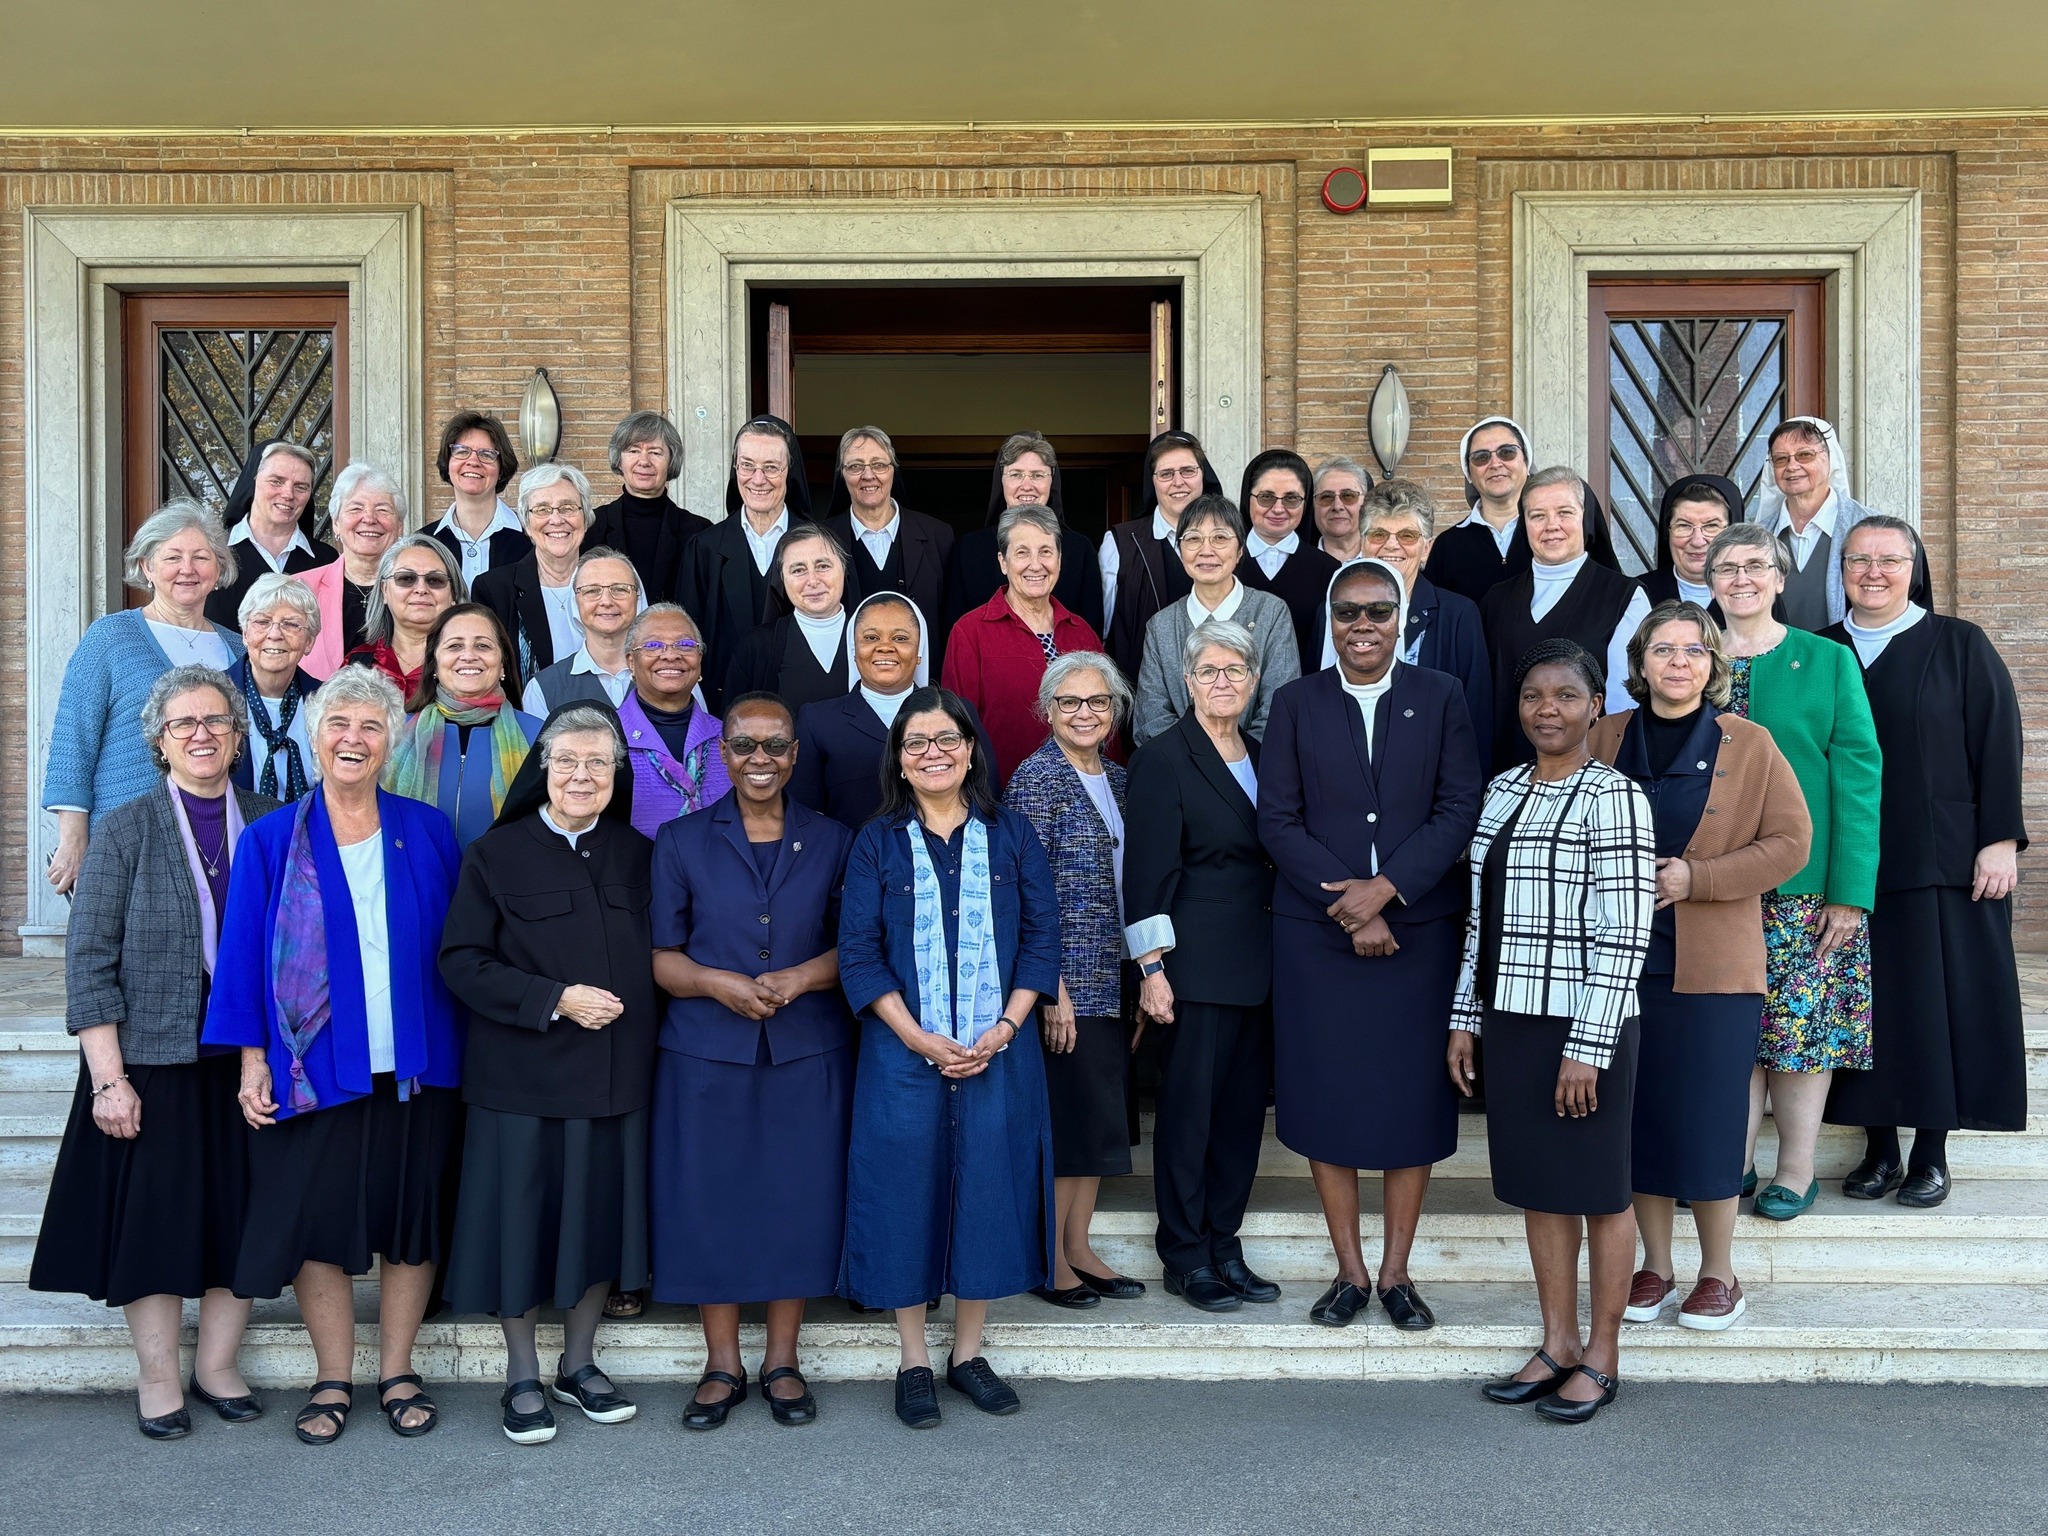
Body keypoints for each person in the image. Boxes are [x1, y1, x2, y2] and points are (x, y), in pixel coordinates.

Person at [202, 666, 464, 1445]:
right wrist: (252, 1061)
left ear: (392, 741)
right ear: (314, 740)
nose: (353, 739)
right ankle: (332, 1376)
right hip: (311, 1069)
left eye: (370, 726)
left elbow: (460, 948)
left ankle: (398, 1370)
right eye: (338, 726)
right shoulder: (271, 837)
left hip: (417, 1059)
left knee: (410, 1220)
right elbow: (244, 956)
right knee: (321, 1224)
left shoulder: (428, 830)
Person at [30, 666, 276, 1439]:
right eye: (183, 724)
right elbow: (90, 958)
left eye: (216, 721)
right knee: (159, 1223)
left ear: (239, 738)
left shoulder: (273, 820)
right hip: (151, 1060)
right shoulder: (126, 827)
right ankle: (160, 1375)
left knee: (245, 1215)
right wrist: (109, 1080)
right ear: (160, 741)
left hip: (248, 1054)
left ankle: (217, 1366)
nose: (202, 734)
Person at [1260, 560, 1482, 1329]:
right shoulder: (1294, 703)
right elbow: (1278, 821)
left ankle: (1396, 1274)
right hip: (1317, 938)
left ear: (1402, 619)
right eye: (1349, 611)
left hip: (1417, 932)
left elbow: (1460, 808)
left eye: (1379, 611)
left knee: (1409, 1102)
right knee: (1328, 1098)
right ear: (1332, 618)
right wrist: (1355, 908)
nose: (1363, 625)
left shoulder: (1441, 695)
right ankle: (1349, 1270)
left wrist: (1388, 892)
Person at [837, 687, 1061, 1429]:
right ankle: (911, 1358)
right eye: (916, 744)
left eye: (946, 739)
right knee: (904, 1189)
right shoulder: (875, 842)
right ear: (899, 763)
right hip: (904, 1052)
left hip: (1001, 1048)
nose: (933, 753)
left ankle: (967, 1353)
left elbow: (1040, 940)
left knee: (989, 1188)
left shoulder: (1013, 834)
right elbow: (860, 955)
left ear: (970, 749)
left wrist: (1006, 1026)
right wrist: (916, 1036)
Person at [1447, 639, 1654, 1425]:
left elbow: (1626, 932)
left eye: (1566, 695)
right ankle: (1556, 1341)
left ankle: (1602, 1354)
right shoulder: (1500, 791)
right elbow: (1481, 920)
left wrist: (1587, 1046)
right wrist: (1466, 1019)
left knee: (1600, 1191)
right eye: (1534, 695)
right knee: (1540, 1189)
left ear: (1595, 705)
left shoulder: (1616, 798)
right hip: (1512, 1019)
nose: (1548, 710)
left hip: (1584, 1026)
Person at [439, 702, 657, 1444]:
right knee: (521, 1228)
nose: (581, 776)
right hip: (520, 1079)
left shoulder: (639, 854)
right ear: (542, 769)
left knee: (599, 1222)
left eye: (599, 763)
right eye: (566, 761)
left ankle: (581, 1364)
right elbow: (461, 962)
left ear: (617, 774)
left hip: (614, 1079)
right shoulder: (494, 856)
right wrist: (555, 999)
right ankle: (523, 1373)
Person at [1589, 603, 1810, 1332]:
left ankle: (1720, 1273)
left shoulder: (1749, 743)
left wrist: (1698, 878)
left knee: (1711, 1120)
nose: (1677, 662)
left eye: (1692, 650)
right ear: (1641, 662)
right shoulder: (1606, 738)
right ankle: (1655, 1264)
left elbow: (1790, 843)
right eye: (1663, 649)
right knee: (1641, 1119)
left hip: (1712, 967)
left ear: (1713, 664)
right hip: (1619, 963)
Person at [650, 693, 856, 1430]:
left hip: (808, 1049)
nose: (760, 760)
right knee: (711, 1201)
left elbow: (857, 945)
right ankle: (721, 1364)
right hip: (705, 1052)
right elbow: (662, 958)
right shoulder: (679, 841)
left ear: (795, 755)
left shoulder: (835, 839)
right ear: (721, 754)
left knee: (795, 1200)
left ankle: (782, 1360)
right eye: (744, 746)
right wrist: (713, 982)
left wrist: (801, 977)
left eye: (775, 746)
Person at [1821, 516, 2028, 1207]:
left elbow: (1998, 741)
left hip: (1942, 859)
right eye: (1859, 560)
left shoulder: (1958, 644)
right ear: (1841, 569)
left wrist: (2000, 837)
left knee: (1934, 1009)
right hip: (1848, 865)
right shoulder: (1819, 651)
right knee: (1866, 1010)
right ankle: (1878, 1149)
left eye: (1889, 559)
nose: (1873, 572)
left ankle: (1931, 1152)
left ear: (1914, 567)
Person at [1705, 525, 1882, 1221]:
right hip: (1713, 884)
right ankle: (1733, 1162)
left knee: (1801, 1034)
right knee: (1732, 1031)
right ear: (1709, 580)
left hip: (1805, 889)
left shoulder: (1828, 659)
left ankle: (1797, 1169)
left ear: (1780, 579)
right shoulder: (1690, 656)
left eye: (1757, 566)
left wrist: (1849, 893)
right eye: (1728, 567)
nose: (1742, 578)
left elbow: (1859, 779)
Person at [1123, 622, 1279, 1314]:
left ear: (1253, 681)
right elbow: (1147, 873)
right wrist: (1151, 969)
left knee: (1242, 1117)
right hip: (1194, 969)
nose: (1223, 681)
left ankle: (1225, 1243)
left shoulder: (1267, 755)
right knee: (1189, 1116)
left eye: (1236, 670)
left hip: (1262, 964)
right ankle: (1185, 1254)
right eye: (1209, 670)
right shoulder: (1164, 758)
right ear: (1186, 682)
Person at [1001, 653, 1140, 1309]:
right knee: (1064, 1126)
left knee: (1095, 1125)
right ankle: (1051, 1259)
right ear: (1048, 710)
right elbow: (1027, 896)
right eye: (1071, 702)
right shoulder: (1036, 779)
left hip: (1112, 977)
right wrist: (1051, 989)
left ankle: (1080, 1246)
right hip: (1065, 985)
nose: (1086, 713)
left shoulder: (1118, 777)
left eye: (1099, 702)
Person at [44, 501, 245, 896]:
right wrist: (73, 838)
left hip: (219, 839)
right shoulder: (110, 638)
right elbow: (73, 743)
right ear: (147, 567)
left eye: (201, 557)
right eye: (172, 557)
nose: (187, 568)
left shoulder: (239, 648)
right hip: (125, 838)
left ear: (218, 569)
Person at [1478, 467, 1648, 770]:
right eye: (1538, 515)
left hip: (1590, 776)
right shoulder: (1496, 600)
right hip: (1504, 774)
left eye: (1564, 513)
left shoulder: (1624, 597)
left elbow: (1627, 707)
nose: (1551, 525)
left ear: (1584, 518)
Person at [790, 592, 1002, 827]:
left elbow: (987, 796)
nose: (885, 647)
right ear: (853, 649)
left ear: (919, 650)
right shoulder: (818, 721)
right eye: (871, 638)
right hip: (850, 861)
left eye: (900, 638)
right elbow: (805, 816)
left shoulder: (958, 713)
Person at [942, 504, 1103, 790]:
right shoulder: (970, 632)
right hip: (1000, 799)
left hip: (1079, 800)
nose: (1035, 564)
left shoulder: (1083, 634)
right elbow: (956, 729)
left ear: (1059, 559)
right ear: (1003, 562)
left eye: (1045, 551)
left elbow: (1105, 720)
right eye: (1022, 552)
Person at [676, 414, 817, 710]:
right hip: (724, 706)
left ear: (788, 471)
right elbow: (687, 638)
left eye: (771, 467)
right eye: (747, 466)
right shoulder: (704, 548)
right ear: (735, 469)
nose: (758, 479)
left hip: (805, 707)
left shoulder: (821, 547)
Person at [1132, 495, 1299, 743]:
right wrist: (1198, 763)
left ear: (1241, 549)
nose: (1206, 550)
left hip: (1255, 770)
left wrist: (1239, 759)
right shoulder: (1161, 626)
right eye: (1193, 539)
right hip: (1180, 774)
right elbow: (1151, 717)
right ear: (1180, 551)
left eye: (1220, 538)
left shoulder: (1271, 613)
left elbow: (1281, 707)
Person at [1354, 478, 1492, 770]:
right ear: (1362, 542)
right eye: (1378, 533)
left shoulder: (1459, 616)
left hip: (1433, 788)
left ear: (1427, 548)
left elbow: (1475, 719)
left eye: (1407, 535)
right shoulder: (1332, 612)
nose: (1392, 545)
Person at [383, 604, 541, 848]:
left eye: (483, 646)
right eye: (454, 646)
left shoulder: (539, 738)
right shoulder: (393, 736)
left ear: (502, 664)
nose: (468, 655)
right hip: (419, 881)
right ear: (434, 663)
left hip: (505, 882)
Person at [942, 431, 1105, 636]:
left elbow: (1091, 633)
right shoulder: (968, 550)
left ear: (1051, 481)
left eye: (1038, 475)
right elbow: (953, 632)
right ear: (1001, 481)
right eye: (1016, 474)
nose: (1027, 486)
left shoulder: (1080, 550)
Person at [822, 425, 954, 669]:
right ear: (842, 474)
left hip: (922, 682)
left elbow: (950, 620)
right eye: (855, 466)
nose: (868, 475)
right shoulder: (822, 540)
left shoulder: (939, 535)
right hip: (846, 680)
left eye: (879, 465)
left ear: (894, 470)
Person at [1099, 430, 1222, 679]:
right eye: (1166, 474)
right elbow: (1104, 630)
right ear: (1152, 481)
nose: (1178, 482)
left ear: (1202, 476)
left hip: (1217, 688)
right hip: (1140, 690)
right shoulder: (1120, 543)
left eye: (1188, 471)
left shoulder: (1229, 540)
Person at [474, 463, 598, 683]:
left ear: (585, 518)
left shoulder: (614, 582)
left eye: (568, 507)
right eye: (542, 509)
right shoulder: (494, 589)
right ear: (526, 523)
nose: (557, 519)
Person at [1754, 416, 1880, 631]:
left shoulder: (1872, 529)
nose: (1792, 466)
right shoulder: (1759, 536)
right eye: (1781, 459)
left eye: (1805, 455)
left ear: (1830, 459)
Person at [618, 603, 731, 839]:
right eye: (653, 645)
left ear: (699, 658)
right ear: (631, 662)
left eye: (685, 644)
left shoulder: (729, 739)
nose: (670, 655)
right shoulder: (607, 738)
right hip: (635, 873)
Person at [722, 524, 857, 711]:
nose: (813, 580)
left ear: (844, 570)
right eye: (798, 570)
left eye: (823, 566)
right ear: (782, 579)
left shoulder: (876, 640)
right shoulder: (755, 647)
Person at [584, 410, 710, 605]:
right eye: (633, 451)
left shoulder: (700, 533)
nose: (644, 461)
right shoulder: (591, 526)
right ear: (619, 459)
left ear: (671, 461)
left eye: (655, 452)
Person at [1235, 448, 1341, 677]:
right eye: (1266, 497)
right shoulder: (1224, 562)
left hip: (1304, 700)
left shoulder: (1329, 570)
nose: (1278, 508)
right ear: (1248, 497)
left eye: (1291, 498)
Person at [206, 440, 335, 627]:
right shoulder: (212, 552)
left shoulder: (327, 561)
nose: (288, 494)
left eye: (300, 487)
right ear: (254, 481)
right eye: (277, 481)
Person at [299, 463, 404, 677]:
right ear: (336, 523)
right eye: (356, 508)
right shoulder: (300, 589)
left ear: (400, 526)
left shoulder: (419, 590)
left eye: (382, 510)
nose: (369, 518)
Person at [228, 573, 323, 803]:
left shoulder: (326, 701)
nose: (275, 634)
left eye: (290, 624)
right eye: (262, 622)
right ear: (245, 633)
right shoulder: (216, 698)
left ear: (309, 641)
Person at [1422, 416, 1535, 603]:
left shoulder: (1550, 534)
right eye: (1481, 457)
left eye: (1507, 452)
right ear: (1469, 473)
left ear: (1526, 462)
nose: (1495, 464)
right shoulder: (1447, 546)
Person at [522, 549, 641, 715]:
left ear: (638, 598)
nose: (606, 601)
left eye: (620, 589)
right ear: (575, 601)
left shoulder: (670, 672)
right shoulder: (543, 689)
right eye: (592, 591)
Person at [345, 533, 465, 696]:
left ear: (454, 594)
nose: (421, 589)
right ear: (384, 590)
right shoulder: (356, 665)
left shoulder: (469, 662)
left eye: (435, 580)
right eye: (406, 578)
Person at [430, 411, 529, 584]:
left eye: (486, 454)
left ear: (501, 468)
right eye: (461, 451)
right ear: (448, 462)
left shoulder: (530, 539)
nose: (473, 461)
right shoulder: (424, 542)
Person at [1638, 474, 1743, 614]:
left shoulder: (1757, 592)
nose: (1697, 541)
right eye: (1684, 526)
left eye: (1711, 526)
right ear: (1667, 532)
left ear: (1733, 531)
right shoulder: (1638, 595)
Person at [1311, 455, 1373, 564]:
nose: (1337, 506)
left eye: (1348, 496)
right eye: (1326, 497)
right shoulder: (1296, 566)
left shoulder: (1384, 560)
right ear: (1314, 505)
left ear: (1365, 502)